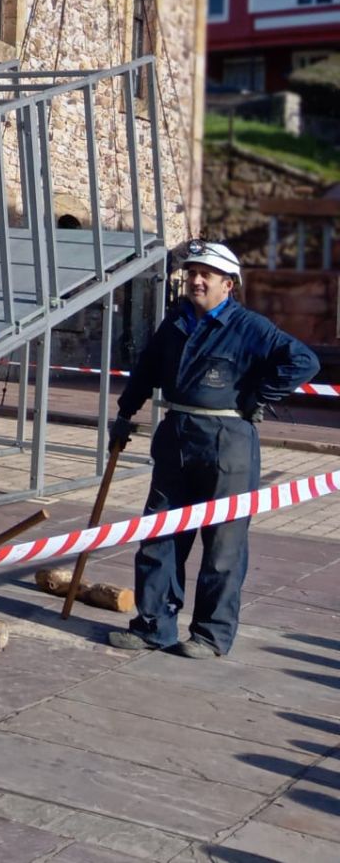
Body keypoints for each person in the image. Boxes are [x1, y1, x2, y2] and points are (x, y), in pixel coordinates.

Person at [105, 240, 319, 658]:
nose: (196, 280)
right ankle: (153, 625)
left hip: (228, 443)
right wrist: (125, 413)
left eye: (206, 275)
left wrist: (257, 395)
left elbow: (303, 361)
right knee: (160, 533)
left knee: (223, 542)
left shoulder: (250, 327)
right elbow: (147, 368)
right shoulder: (176, 322)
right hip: (177, 436)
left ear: (229, 284)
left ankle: (210, 634)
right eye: (192, 273)